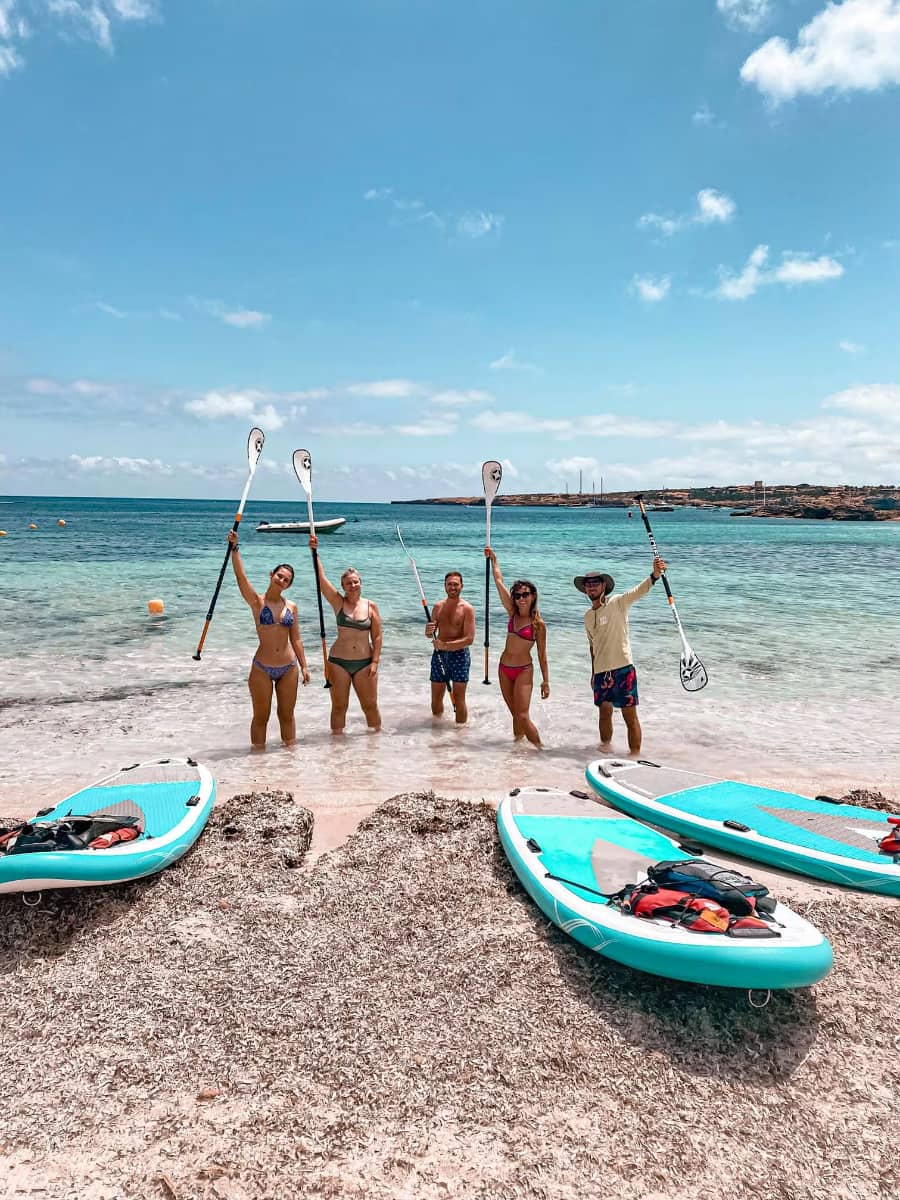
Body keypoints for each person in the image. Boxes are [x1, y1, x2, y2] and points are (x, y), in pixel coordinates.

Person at [227, 530, 310, 749]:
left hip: (289, 667)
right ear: (271, 574)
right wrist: (235, 548)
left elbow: (296, 639)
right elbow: (241, 578)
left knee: (287, 716)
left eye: (286, 580)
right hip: (262, 667)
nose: (281, 580)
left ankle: (290, 758)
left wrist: (304, 666)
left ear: (288, 585)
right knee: (261, 717)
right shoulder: (257, 602)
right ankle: (257, 760)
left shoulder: (291, 607)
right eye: (279, 576)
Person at [575, 556, 666, 756]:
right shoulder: (588, 616)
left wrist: (655, 575)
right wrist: (593, 673)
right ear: (585, 589)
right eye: (588, 584)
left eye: (595, 583)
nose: (591, 586)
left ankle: (634, 757)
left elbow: (639, 591)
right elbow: (592, 647)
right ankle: (604, 751)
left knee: (629, 716)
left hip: (623, 668)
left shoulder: (617, 602)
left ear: (604, 586)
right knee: (604, 714)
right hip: (601, 673)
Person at [309, 533, 382, 734]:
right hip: (338, 662)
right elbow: (321, 580)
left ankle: (376, 742)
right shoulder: (338, 603)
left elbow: (377, 636)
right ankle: (337, 745)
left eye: (356, 582)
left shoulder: (371, 606)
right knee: (339, 707)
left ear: (361, 583)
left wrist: (375, 662)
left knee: (370, 706)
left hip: (365, 663)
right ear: (343, 586)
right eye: (348, 583)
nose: (353, 585)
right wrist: (315, 552)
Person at [485, 547, 549, 746]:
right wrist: (494, 559)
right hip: (504, 669)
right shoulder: (512, 613)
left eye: (525, 594)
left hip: (523, 670)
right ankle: (518, 748)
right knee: (515, 714)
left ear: (533, 596)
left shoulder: (538, 625)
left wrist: (546, 681)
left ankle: (541, 750)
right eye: (518, 595)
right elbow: (498, 581)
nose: (521, 598)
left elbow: (542, 655)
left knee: (522, 715)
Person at [424, 570, 476, 724]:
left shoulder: (467, 609)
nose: (452, 587)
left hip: (460, 655)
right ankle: (436, 728)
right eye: (449, 584)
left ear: (461, 586)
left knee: (459, 700)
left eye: (456, 584)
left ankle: (460, 733)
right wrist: (428, 631)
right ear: (445, 586)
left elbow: (469, 639)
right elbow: (430, 634)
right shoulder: (438, 607)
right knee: (435, 700)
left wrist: (446, 645)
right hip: (439, 655)